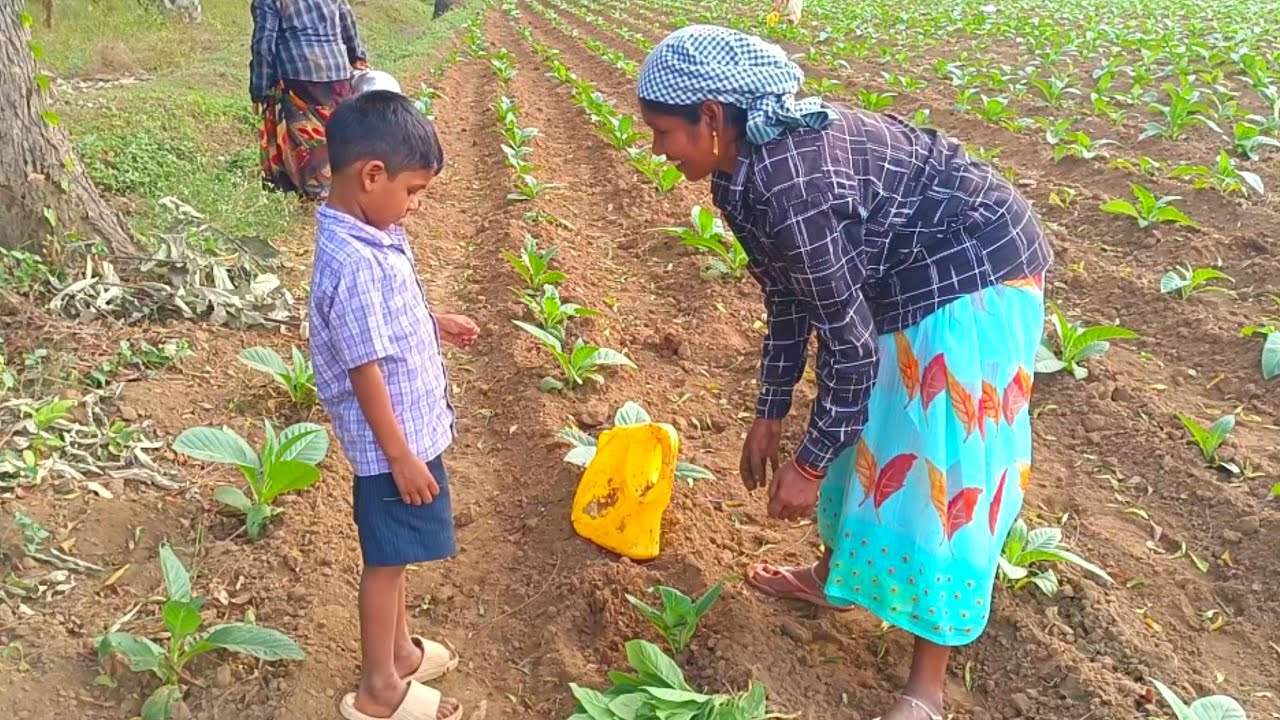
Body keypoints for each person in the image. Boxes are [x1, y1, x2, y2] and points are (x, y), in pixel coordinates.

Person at [637, 25, 1052, 720]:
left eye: (663, 133)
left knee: (937, 460)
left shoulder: (790, 185)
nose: (658, 149)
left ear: (711, 117)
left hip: (974, 275)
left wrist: (807, 463)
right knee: (868, 425)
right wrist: (771, 410)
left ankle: (926, 689)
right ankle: (833, 577)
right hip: (903, 276)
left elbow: (851, 348)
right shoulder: (738, 175)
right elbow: (787, 294)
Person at [309, 90, 478, 720]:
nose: (413, 205)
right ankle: (378, 687)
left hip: (407, 433)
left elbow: (381, 325)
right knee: (386, 561)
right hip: (393, 444)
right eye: (412, 192)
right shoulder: (354, 262)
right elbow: (364, 367)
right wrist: (401, 457)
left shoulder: (372, 235)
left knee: (400, 552)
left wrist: (432, 323)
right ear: (371, 175)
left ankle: (401, 651)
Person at [250, 0, 369, 200]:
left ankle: (316, 195)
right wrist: (356, 56)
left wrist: (259, 89)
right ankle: (344, 191)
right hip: (337, 72)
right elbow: (347, 21)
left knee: (306, 140)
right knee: (338, 131)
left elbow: (263, 45)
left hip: (298, 74)